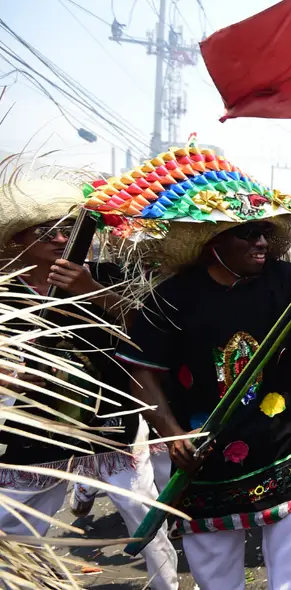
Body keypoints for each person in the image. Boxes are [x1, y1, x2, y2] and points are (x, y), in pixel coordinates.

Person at [114, 146, 291, 590]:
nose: (261, 242)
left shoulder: (289, 279)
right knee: (216, 574)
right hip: (204, 457)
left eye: (263, 232)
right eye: (247, 234)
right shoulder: (171, 298)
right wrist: (170, 431)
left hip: (280, 446)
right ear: (214, 242)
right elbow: (141, 372)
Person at [0, 176, 178, 590]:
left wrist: (90, 289)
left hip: (109, 416)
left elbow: (148, 329)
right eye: (46, 232)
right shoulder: (7, 292)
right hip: (40, 419)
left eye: (68, 229)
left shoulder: (105, 272)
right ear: (18, 241)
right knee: (13, 521)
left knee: (143, 515)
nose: (60, 238)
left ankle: (168, 586)